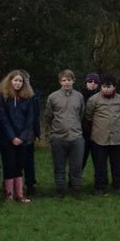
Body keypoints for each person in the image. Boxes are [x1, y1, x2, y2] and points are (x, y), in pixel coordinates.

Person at [0, 70, 38, 203]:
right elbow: (3, 119)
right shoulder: (3, 97)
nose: (18, 83)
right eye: (15, 80)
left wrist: (22, 136)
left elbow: (30, 119)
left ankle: (20, 195)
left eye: (20, 81)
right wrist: (12, 137)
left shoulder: (28, 98)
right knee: (9, 165)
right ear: (10, 81)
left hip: (23, 139)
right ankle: (8, 195)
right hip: (7, 139)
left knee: (19, 166)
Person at [44, 70, 86, 198]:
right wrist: (53, 132)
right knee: (59, 166)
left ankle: (76, 189)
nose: (66, 82)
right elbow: (48, 117)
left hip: (76, 137)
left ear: (73, 80)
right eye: (63, 80)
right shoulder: (53, 97)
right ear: (60, 82)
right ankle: (60, 190)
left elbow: (81, 114)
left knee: (76, 167)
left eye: (69, 80)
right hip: (58, 137)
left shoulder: (79, 97)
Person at [84, 76, 120, 196]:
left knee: (116, 165)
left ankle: (118, 186)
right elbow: (88, 116)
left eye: (109, 87)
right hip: (99, 139)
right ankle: (100, 187)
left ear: (114, 87)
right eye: (104, 87)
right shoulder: (93, 100)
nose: (106, 89)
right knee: (100, 165)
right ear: (100, 87)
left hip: (117, 139)